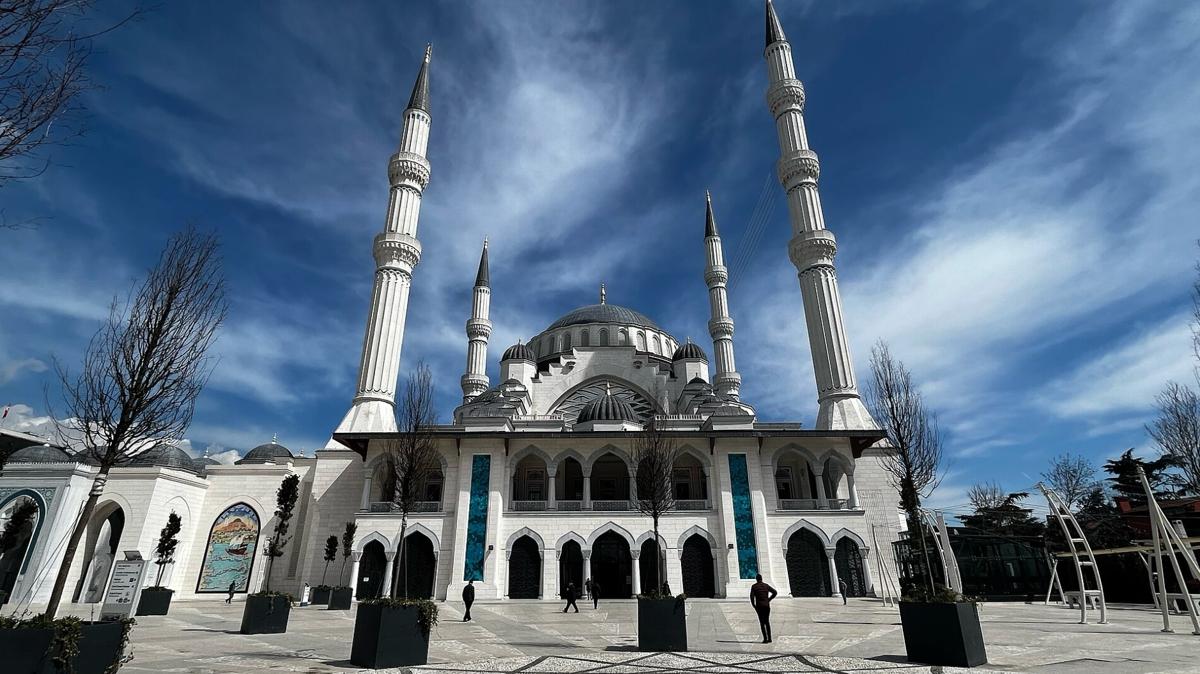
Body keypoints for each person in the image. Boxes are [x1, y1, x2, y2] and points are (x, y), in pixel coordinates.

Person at [750, 574, 778, 644]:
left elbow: (752, 597)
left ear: (756, 579)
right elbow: (775, 592)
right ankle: (770, 638)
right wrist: (769, 599)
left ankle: (765, 639)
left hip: (759, 606)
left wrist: (754, 605)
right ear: (761, 579)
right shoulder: (766, 585)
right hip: (766, 605)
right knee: (767, 622)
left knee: (762, 623)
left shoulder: (754, 586)